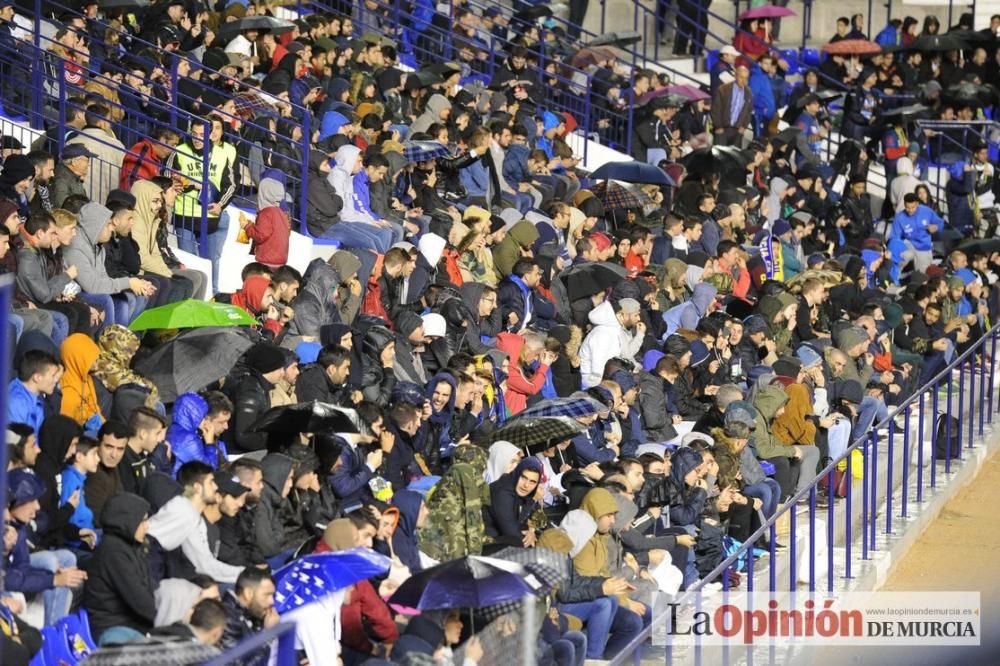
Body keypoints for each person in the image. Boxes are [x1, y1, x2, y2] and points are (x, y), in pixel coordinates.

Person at [147, 461, 245, 584]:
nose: (215, 487)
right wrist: (243, 575)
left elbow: (205, 562)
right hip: (145, 564)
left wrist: (242, 573)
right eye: (210, 482)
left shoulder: (193, 514)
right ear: (198, 487)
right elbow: (204, 565)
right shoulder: (183, 509)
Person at [82, 492, 155, 646]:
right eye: (142, 521)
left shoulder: (130, 547)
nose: (147, 526)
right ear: (127, 521)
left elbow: (149, 589)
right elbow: (140, 601)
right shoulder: (113, 553)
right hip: (112, 629)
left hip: (131, 622)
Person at [219, 568, 278, 666]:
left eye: (272, 595)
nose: (272, 601)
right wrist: (268, 635)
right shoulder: (226, 619)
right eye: (267, 595)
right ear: (248, 593)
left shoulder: (254, 611)